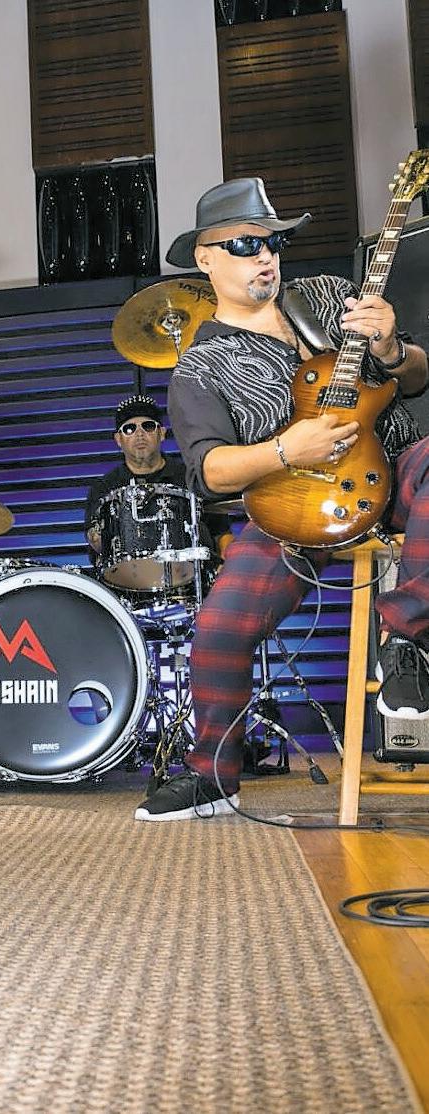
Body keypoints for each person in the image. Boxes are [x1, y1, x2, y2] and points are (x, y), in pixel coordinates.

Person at [134, 176, 429, 823]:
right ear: (205, 258)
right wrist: (285, 451)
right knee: (218, 630)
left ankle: (406, 642)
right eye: (243, 244)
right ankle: (212, 779)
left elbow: (414, 378)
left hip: (398, 469)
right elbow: (209, 471)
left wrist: (391, 348)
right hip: (293, 505)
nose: (264, 255)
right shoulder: (200, 368)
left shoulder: (327, 295)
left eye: (271, 242)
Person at [84, 394, 188, 549]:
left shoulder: (188, 477)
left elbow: (216, 530)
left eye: (148, 426)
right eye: (129, 429)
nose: (139, 434)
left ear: (162, 433)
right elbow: (97, 543)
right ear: (118, 439)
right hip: (126, 565)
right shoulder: (103, 488)